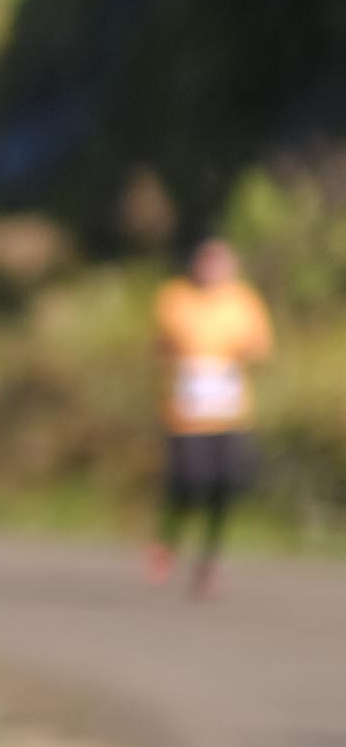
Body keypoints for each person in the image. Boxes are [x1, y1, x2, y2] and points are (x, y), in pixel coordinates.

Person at [147, 233, 273, 595]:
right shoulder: (176, 297)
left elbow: (260, 348)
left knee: (225, 486)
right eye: (207, 261)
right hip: (187, 414)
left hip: (229, 413)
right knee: (190, 482)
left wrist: (241, 355)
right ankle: (168, 539)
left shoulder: (243, 301)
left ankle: (209, 559)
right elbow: (161, 344)